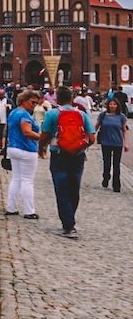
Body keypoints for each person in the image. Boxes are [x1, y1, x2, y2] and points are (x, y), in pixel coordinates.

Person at [40, 85, 97, 239]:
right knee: (74, 188)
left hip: (59, 154)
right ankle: (70, 218)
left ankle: (68, 225)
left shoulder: (52, 114)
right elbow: (92, 138)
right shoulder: (82, 114)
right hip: (78, 156)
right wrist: (80, 147)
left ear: (57, 98)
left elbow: (44, 135)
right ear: (72, 98)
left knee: (61, 190)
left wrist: (41, 148)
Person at [4, 89, 43, 219]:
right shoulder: (25, 115)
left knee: (16, 179)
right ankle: (29, 211)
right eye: (33, 102)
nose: (34, 105)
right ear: (24, 101)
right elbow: (27, 132)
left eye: (36, 103)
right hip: (26, 149)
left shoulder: (13, 112)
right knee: (27, 181)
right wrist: (42, 138)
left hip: (13, 148)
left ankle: (11, 208)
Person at [95, 97, 129, 193]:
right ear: (108, 105)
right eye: (111, 104)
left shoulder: (121, 117)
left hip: (117, 143)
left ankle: (116, 185)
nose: (112, 106)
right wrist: (90, 136)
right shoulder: (103, 115)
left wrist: (126, 143)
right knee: (107, 163)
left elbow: (124, 130)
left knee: (116, 165)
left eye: (114, 104)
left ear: (117, 106)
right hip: (106, 142)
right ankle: (106, 177)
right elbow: (96, 126)